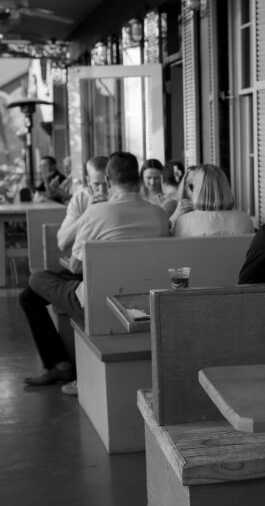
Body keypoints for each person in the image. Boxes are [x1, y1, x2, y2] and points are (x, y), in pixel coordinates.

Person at [20, 151, 170, 391]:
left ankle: (61, 366)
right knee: (29, 296)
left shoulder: (97, 213)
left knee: (37, 278)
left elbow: (78, 266)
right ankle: (59, 366)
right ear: (140, 180)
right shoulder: (160, 215)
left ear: (109, 181)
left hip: (97, 304)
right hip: (144, 301)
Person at [171, 164, 254, 237]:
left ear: (198, 189)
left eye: (193, 186)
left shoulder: (183, 223)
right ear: (225, 187)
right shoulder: (246, 220)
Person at [57, 155, 109, 253]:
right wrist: (88, 214)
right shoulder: (80, 199)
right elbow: (62, 243)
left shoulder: (119, 196)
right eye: (96, 184)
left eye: (106, 184)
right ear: (88, 181)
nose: (102, 190)